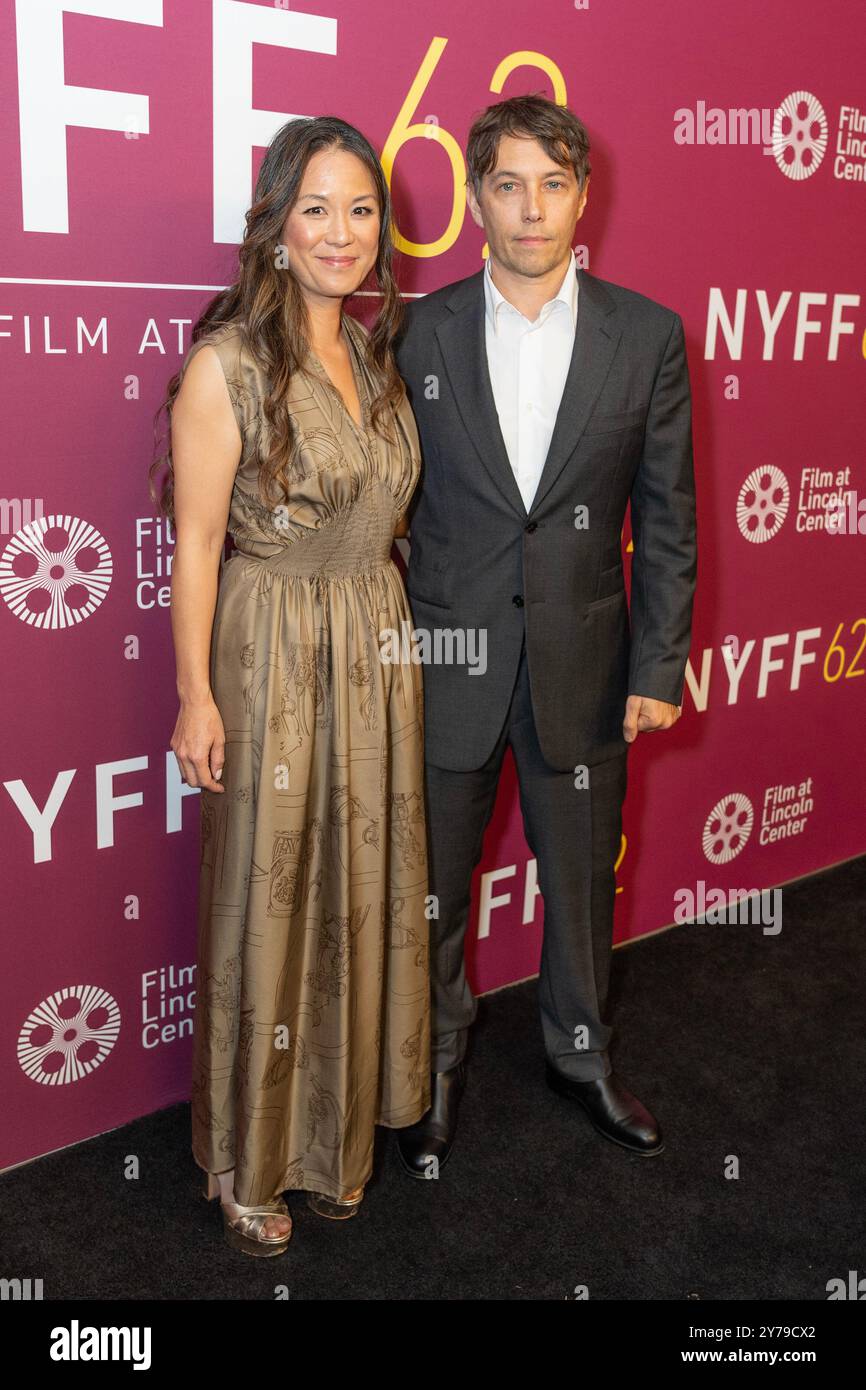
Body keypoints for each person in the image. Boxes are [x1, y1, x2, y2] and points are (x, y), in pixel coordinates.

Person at [393, 94, 697, 1175]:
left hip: (586, 659)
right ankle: (423, 1068)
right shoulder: (412, 330)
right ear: (474, 197)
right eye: (507, 184)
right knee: (427, 887)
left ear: (583, 197)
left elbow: (666, 516)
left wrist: (658, 663)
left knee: (579, 882)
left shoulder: (646, 335)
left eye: (551, 184)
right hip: (443, 662)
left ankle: (579, 1055)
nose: (530, 209)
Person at [151, 116, 431, 1256]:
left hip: (372, 639)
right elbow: (201, 544)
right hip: (268, 652)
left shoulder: (371, 353)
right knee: (269, 904)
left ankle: (328, 1133)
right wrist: (194, 696)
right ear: (273, 226)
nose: (340, 232)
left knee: (357, 892)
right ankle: (244, 1157)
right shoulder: (225, 363)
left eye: (360, 208)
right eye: (313, 208)